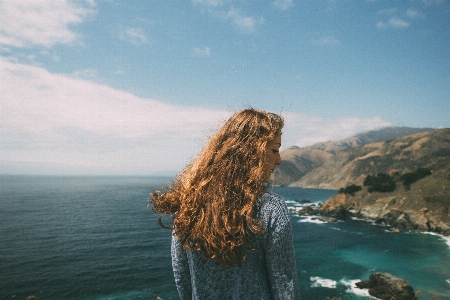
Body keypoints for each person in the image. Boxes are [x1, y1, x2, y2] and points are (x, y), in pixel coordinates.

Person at [150, 108, 301, 300]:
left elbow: (183, 280)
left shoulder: (188, 204)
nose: (278, 160)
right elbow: (285, 288)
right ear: (252, 153)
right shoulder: (271, 208)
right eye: (274, 150)